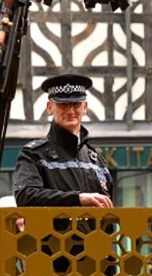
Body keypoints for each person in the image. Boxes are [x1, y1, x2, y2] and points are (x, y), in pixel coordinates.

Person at [13, 74, 113, 206]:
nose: (70, 111)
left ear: (85, 108)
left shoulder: (96, 160)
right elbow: (25, 196)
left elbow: (109, 213)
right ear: (49, 108)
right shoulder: (34, 154)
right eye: (63, 105)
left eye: (76, 105)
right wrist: (78, 199)